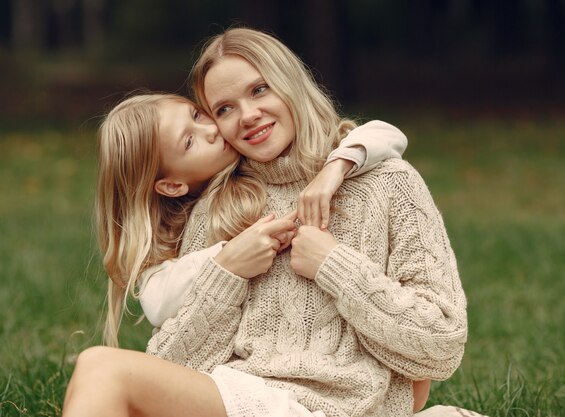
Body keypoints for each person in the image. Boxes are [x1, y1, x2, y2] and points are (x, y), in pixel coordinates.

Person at [144, 27, 468, 416]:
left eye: (260, 90)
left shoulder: (388, 183)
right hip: (244, 401)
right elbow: (169, 369)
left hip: (348, 407)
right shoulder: (219, 206)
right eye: (224, 109)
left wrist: (334, 265)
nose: (248, 116)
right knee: (107, 371)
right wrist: (227, 271)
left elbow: (442, 345)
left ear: (290, 83)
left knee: (103, 370)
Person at [62, 91, 414, 416]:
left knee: (100, 368)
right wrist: (227, 259)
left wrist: (336, 168)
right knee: (96, 370)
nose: (211, 131)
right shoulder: (197, 221)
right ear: (171, 186)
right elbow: (157, 301)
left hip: (306, 396)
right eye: (189, 141)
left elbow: (385, 133)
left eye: (199, 115)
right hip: (249, 387)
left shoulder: (271, 155)